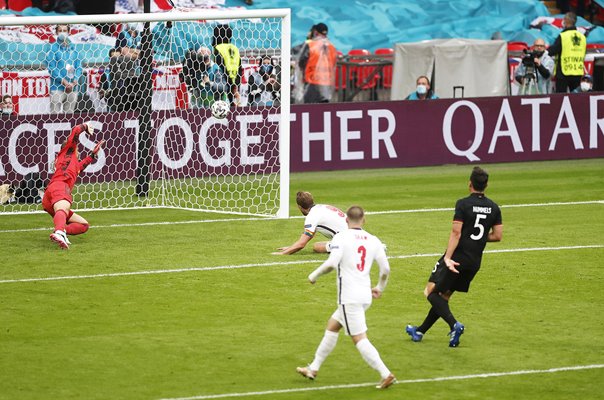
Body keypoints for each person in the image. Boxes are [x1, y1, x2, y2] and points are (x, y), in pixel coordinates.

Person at [296, 206, 396, 390]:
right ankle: (313, 368)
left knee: (359, 338)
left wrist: (314, 275)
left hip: (349, 297)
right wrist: (379, 287)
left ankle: (386, 374)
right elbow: (386, 269)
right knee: (333, 326)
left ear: (347, 220)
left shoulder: (341, 237)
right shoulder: (373, 240)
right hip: (364, 294)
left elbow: (332, 263)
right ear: (363, 220)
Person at [405, 166, 503, 347]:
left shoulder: (463, 204)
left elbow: (456, 233)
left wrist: (447, 258)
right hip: (474, 262)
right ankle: (419, 331)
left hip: (456, 258)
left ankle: (454, 325)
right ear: (486, 185)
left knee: (430, 293)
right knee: (444, 297)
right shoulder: (494, 207)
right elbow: (497, 236)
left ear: (469, 184)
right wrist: (479, 238)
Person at [42, 123, 104, 250]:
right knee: (63, 210)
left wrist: (92, 155)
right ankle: (59, 232)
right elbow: (76, 130)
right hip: (60, 187)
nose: (79, 150)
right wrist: (86, 126)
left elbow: (80, 167)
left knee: (83, 225)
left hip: (50, 195)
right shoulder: (68, 150)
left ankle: (61, 230)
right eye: (78, 149)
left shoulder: (72, 163)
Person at [272, 191, 347, 255]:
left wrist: (283, 253)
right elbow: (309, 235)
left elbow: (301, 244)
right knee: (321, 244)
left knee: (317, 247)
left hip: (348, 241)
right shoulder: (322, 207)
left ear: (299, 207)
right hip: (356, 235)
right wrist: (292, 247)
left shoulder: (312, 216)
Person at [46, 24, 82, 114]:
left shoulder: (74, 48)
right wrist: (63, 81)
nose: (62, 33)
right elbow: (51, 67)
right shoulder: (52, 48)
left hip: (72, 87)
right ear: (56, 32)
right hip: (57, 87)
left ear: (69, 32)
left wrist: (75, 80)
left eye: (64, 30)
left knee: (70, 115)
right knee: (55, 115)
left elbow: (79, 66)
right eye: (60, 30)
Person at [297, 23, 338, 103]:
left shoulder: (310, 45)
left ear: (315, 32)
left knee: (310, 110)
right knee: (323, 110)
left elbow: (301, 61)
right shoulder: (332, 47)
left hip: (312, 82)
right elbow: (333, 64)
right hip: (327, 82)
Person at [548, 12, 587, 93]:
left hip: (563, 72)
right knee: (576, 99)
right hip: (577, 71)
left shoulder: (563, 35)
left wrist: (545, 50)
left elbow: (553, 51)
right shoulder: (582, 37)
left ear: (566, 20)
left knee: (561, 98)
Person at [212, 24, 243, 106]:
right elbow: (239, 68)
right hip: (235, 84)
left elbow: (219, 68)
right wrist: (235, 86)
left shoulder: (218, 49)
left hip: (222, 86)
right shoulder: (235, 49)